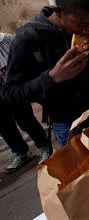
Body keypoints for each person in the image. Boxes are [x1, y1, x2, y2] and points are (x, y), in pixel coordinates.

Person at [4, 0, 89, 147]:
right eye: (81, 25)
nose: (88, 30)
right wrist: (52, 77)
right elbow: (11, 93)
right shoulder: (28, 38)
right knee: (85, 172)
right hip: (68, 125)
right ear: (59, 12)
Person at [0, 29, 52, 173]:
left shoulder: (8, 40)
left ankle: (45, 148)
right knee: (4, 126)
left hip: (13, 90)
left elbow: (22, 62)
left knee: (26, 120)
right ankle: (21, 153)